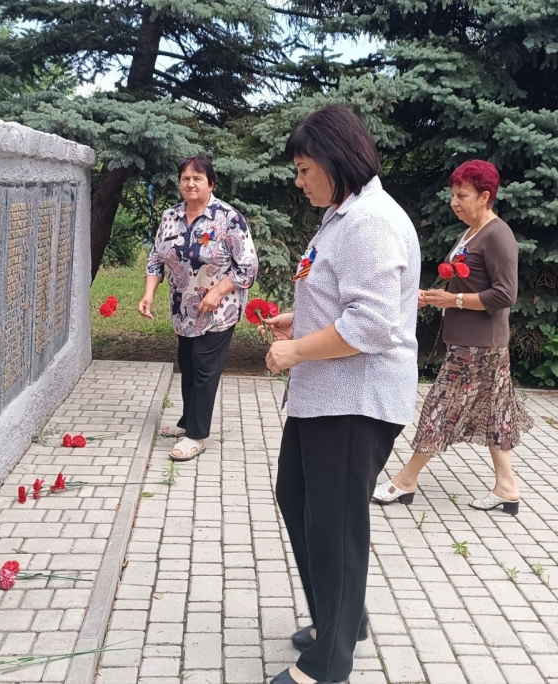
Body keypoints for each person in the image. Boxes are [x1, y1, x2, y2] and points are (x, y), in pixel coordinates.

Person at [262, 105, 420, 684]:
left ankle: (328, 664)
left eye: (305, 169)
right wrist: (298, 320)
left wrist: (296, 351)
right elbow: (342, 297)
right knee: (298, 497)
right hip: (328, 397)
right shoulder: (343, 214)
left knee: (335, 525)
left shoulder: (369, 221)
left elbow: (373, 325)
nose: (299, 181)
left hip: (356, 401)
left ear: (335, 160)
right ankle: (342, 620)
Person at [373, 160, 533, 514]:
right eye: (453, 195)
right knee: (495, 412)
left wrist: (453, 300)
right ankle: (507, 487)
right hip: (470, 340)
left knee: (440, 408)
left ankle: (406, 480)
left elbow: (505, 295)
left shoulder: (498, 235)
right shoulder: (472, 232)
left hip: (479, 345)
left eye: (462, 196)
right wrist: (434, 297)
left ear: (485, 197)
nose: (454, 202)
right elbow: (467, 283)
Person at [139, 154, 258, 461]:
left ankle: (196, 435)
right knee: (188, 365)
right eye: (185, 178)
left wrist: (218, 291)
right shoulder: (170, 216)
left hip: (218, 311)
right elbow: (156, 258)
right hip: (183, 310)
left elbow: (248, 267)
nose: (190, 183)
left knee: (204, 368)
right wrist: (149, 293)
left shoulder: (229, 218)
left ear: (211, 183)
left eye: (197, 178)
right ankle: (186, 421)